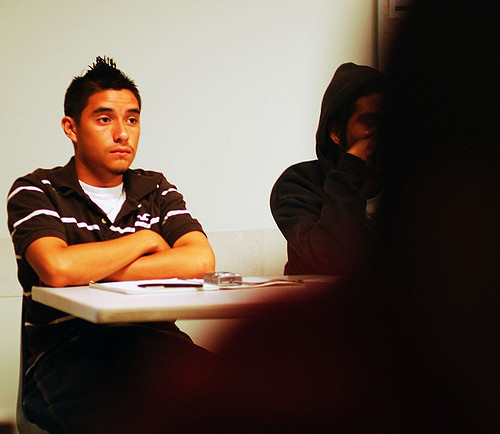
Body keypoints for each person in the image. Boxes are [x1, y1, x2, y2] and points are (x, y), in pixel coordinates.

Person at [7, 56, 215, 433]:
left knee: (250, 402)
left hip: (157, 344)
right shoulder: (37, 190)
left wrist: (91, 270)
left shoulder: (154, 188)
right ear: (71, 127)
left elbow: (199, 260)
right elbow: (57, 269)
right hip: (68, 354)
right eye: (105, 119)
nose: (122, 133)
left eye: (132, 119)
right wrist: (147, 240)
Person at [270, 62, 384, 275]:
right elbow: (335, 258)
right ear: (336, 133)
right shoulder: (298, 185)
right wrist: (350, 168)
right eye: (370, 123)